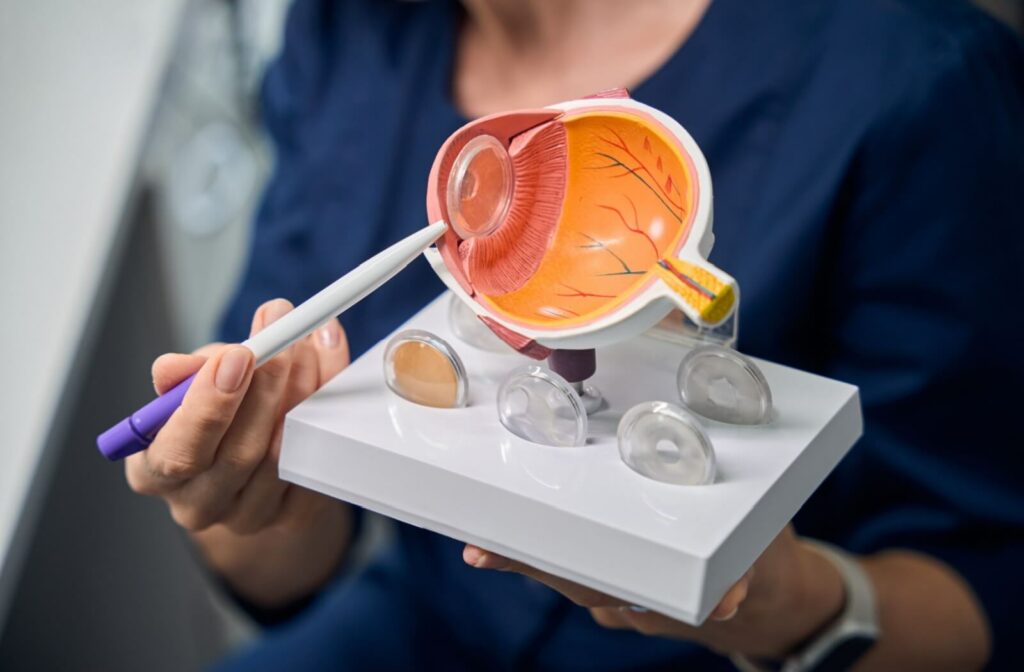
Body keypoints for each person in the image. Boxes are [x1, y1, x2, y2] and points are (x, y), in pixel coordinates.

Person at [124, 0, 1024, 669]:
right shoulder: (346, 34)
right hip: (430, 623)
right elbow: (284, 561)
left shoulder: (910, 76)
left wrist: (782, 605)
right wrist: (248, 494)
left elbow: (986, 590)